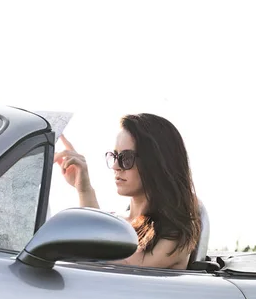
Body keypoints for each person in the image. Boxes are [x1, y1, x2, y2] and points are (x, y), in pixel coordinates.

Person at [53, 113, 201, 269]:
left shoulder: (177, 233)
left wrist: (86, 191)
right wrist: (82, 188)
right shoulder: (118, 222)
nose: (116, 166)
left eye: (126, 158)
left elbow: (123, 265)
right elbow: (99, 248)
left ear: (156, 162)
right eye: (114, 155)